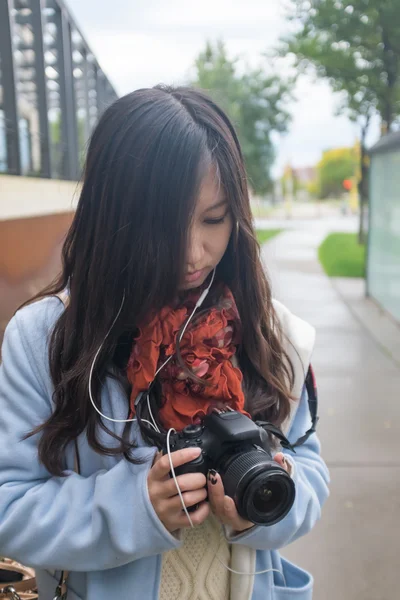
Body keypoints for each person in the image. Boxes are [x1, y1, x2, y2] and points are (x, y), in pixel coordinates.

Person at [0, 86, 329, 600]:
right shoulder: (46, 339)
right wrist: (136, 508)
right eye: (163, 228)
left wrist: (268, 495)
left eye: (215, 219)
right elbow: (10, 509)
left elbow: (312, 474)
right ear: (111, 219)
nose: (194, 253)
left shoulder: (269, 329)